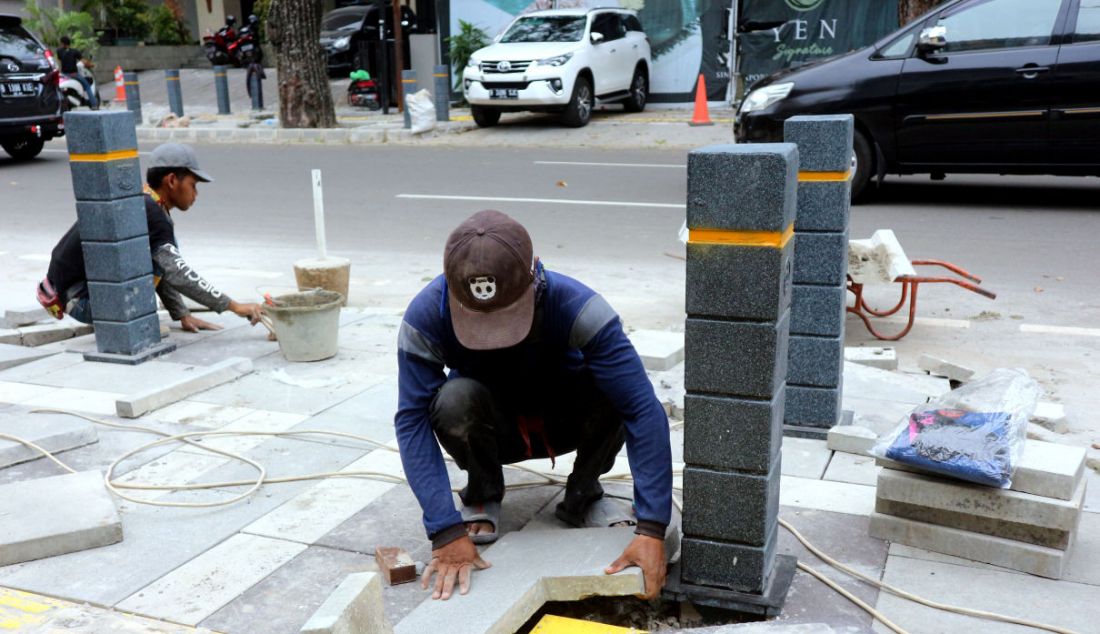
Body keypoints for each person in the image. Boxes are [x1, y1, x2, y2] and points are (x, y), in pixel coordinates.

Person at [396, 210, 673, 602]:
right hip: (493, 429)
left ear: (536, 276)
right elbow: (411, 422)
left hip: (566, 421)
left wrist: (651, 528)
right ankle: (483, 492)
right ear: (450, 289)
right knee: (452, 399)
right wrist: (444, 530)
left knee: (620, 391)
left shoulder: (578, 306)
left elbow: (644, 410)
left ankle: (582, 495)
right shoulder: (426, 316)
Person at [37, 143, 263, 331]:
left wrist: (182, 314)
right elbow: (176, 272)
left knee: (156, 260)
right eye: (193, 185)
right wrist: (233, 306)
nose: (196, 194)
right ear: (172, 180)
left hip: (68, 295)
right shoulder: (153, 213)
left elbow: (162, 267)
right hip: (83, 301)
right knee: (153, 294)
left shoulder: (144, 201)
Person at [56, 36, 97, 109]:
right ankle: (94, 105)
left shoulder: (59, 51)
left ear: (62, 43)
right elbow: (84, 62)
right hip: (73, 74)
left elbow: (59, 62)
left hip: (63, 74)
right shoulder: (74, 51)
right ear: (69, 43)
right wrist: (91, 65)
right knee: (87, 86)